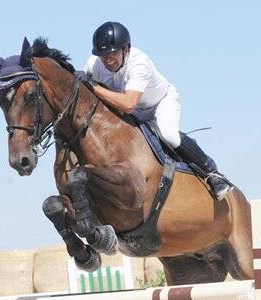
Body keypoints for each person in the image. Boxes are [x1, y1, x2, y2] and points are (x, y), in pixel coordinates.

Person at [76, 21, 231, 201]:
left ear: (126, 49)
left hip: (160, 103)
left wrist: (93, 87)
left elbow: (128, 103)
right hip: (131, 112)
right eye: (103, 56)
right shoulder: (94, 64)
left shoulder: (139, 62)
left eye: (112, 54)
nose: (108, 61)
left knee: (169, 135)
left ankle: (213, 173)